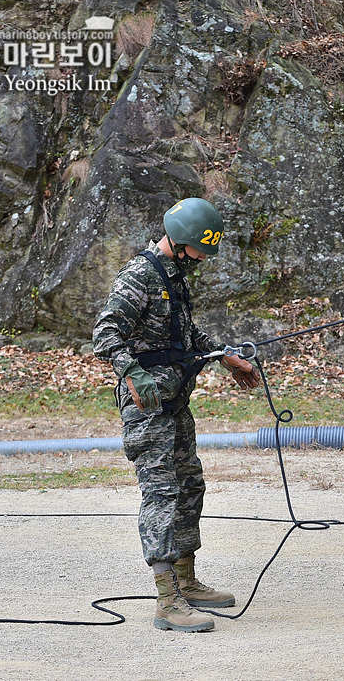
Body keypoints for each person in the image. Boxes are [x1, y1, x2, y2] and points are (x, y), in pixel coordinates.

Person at [93, 197, 261, 633]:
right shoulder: (140, 275)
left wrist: (224, 355)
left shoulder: (175, 276)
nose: (204, 259)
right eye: (202, 250)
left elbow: (184, 335)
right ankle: (166, 601)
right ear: (183, 241)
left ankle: (186, 581)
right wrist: (130, 372)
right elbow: (105, 333)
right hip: (148, 410)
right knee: (162, 494)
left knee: (189, 485)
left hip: (175, 404)